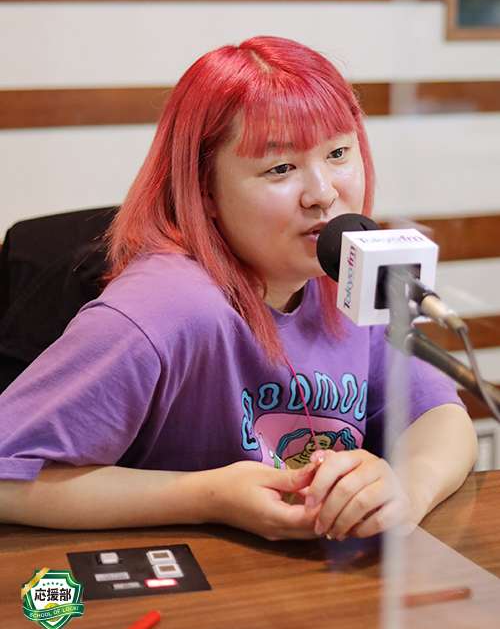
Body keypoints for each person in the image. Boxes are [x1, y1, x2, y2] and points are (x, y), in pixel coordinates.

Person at [0, 36, 477, 541]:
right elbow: (8, 476)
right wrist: (208, 497)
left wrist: (406, 489)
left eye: (338, 152)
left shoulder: (348, 277)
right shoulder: (166, 308)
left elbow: (442, 417)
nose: (323, 194)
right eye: (280, 168)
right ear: (204, 189)